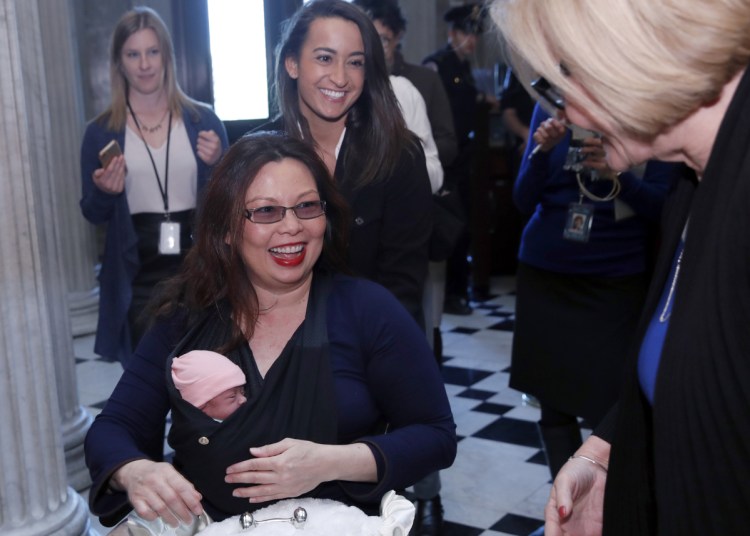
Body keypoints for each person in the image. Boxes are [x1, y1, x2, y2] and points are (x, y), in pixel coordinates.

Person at [84, 132, 457, 529]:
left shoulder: (369, 310)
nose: (293, 226)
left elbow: (435, 436)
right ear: (226, 228)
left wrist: (329, 462)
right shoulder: (185, 319)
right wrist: (137, 471)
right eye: (266, 211)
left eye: (307, 206)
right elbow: (114, 428)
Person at [491, 0, 750, 534]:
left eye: (570, 75)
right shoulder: (694, 180)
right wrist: (607, 454)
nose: (569, 112)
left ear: (633, 55)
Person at [510, 105, 675, 536]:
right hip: (546, 273)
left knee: (610, 410)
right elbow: (523, 200)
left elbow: (663, 207)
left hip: (613, 280)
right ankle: (563, 508)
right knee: (552, 404)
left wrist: (617, 175)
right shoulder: (550, 107)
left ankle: (610, 513)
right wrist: (541, 152)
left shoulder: (646, 103)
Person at [265, 0, 433, 330]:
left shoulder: (400, 156)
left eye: (355, 62)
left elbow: (403, 286)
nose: (340, 78)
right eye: (325, 58)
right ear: (292, 63)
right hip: (273, 344)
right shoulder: (257, 153)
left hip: (370, 346)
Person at [79, 6, 229, 365]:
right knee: (145, 386)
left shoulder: (203, 120)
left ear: (167, 56)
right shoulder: (100, 132)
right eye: (133, 54)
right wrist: (105, 191)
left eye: (152, 51)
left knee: (202, 381)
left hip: (198, 267)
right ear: (119, 62)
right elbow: (93, 213)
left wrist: (220, 163)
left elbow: (232, 201)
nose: (144, 64)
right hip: (138, 270)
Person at [423, 3, 493, 315]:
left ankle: (460, 291)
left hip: (466, 161)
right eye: (466, 33)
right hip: (445, 162)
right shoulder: (438, 65)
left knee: (466, 227)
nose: (472, 40)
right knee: (452, 228)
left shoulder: (464, 68)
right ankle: (451, 295)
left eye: (475, 34)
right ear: (452, 33)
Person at [171, 350, 247, 422]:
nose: (243, 399)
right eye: (232, 396)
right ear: (202, 405)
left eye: (242, 392)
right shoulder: (198, 433)